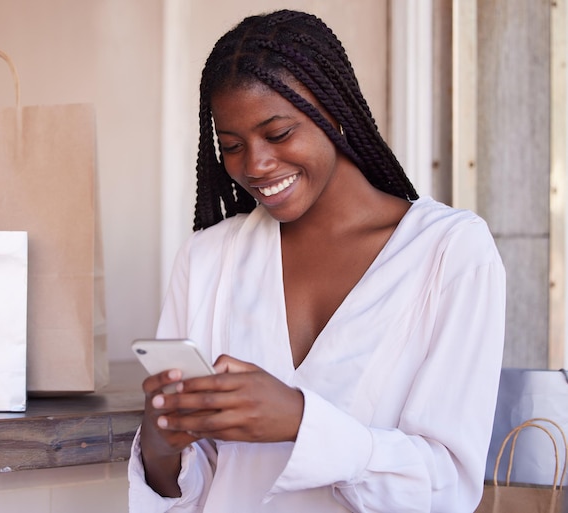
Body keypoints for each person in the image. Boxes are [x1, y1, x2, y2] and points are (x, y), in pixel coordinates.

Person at [128, 9, 505, 513]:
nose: (256, 164)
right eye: (233, 146)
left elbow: (448, 487)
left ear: (335, 110)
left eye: (279, 133)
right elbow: (181, 488)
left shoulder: (450, 254)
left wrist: (301, 423)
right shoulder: (206, 260)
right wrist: (159, 444)